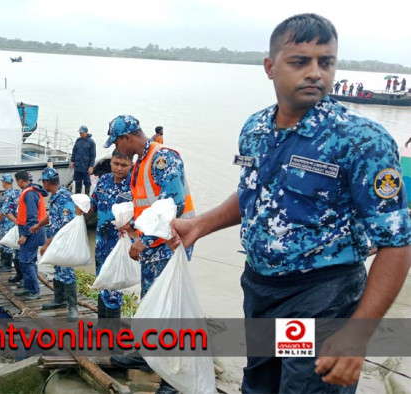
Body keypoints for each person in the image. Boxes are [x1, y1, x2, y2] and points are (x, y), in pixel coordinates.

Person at [167, 14, 410, 392]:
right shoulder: (255, 129)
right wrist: (199, 225)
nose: (315, 73)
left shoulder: (362, 141)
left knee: (305, 388)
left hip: (322, 295)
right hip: (261, 290)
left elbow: (396, 243)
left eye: (325, 62)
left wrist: (357, 336)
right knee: (260, 385)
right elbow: (254, 194)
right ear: (270, 67)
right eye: (300, 61)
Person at [104, 114, 195, 394]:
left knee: (168, 309)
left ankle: (171, 380)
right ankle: (147, 356)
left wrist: (144, 239)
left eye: (117, 141)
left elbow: (174, 204)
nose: (117, 148)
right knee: (152, 303)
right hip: (154, 245)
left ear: (128, 137)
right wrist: (131, 221)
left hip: (170, 244)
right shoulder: (142, 161)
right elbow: (148, 202)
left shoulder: (162, 158)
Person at [88, 148, 133, 319]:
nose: (119, 168)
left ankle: (112, 337)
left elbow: (143, 212)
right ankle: (102, 327)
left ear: (131, 165)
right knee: (102, 282)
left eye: (124, 165)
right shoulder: (104, 180)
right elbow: (93, 203)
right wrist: (84, 207)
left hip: (119, 244)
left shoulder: (134, 185)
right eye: (116, 163)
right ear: (111, 162)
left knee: (114, 290)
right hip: (101, 242)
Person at [31, 167, 79, 321]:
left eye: (43, 183)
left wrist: (46, 245)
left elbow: (64, 227)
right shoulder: (54, 196)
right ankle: (60, 300)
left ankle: (73, 307)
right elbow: (52, 216)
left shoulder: (65, 198)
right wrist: (39, 225)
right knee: (58, 270)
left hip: (64, 242)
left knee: (67, 272)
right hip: (56, 242)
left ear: (46, 183)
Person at [13, 170, 48, 301]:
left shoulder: (30, 194)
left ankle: (34, 290)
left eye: (18, 182)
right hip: (31, 231)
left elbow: (32, 217)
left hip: (32, 232)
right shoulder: (31, 192)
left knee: (26, 261)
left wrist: (25, 235)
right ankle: (28, 287)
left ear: (21, 181)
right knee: (28, 260)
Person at [70, 125, 96, 195]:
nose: (80, 134)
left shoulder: (91, 142)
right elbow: (74, 151)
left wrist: (91, 166)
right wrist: (72, 160)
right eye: (80, 133)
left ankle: (87, 196)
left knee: (87, 182)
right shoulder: (78, 140)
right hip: (78, 165)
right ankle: (77, 196)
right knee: (77, 181)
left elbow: (93, 155)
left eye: (82, 133)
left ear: (86, 132)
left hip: (86, 166)